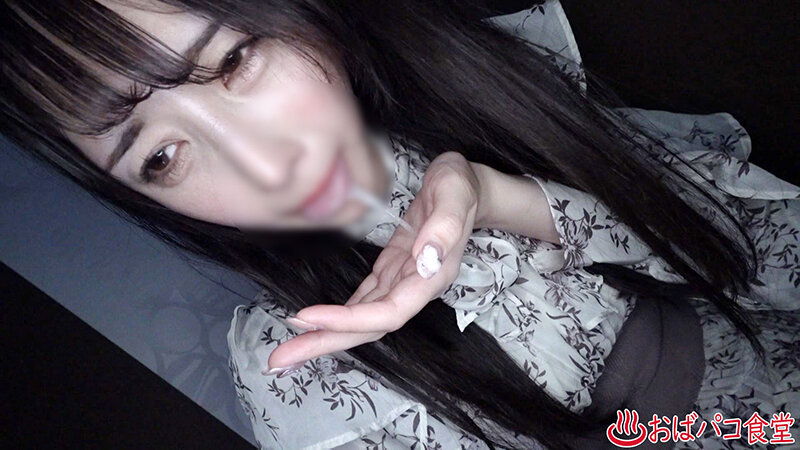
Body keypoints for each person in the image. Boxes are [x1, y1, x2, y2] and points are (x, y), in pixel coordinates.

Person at [1, 0, 797, 448]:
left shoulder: (491, 79)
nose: (263, 166)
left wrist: (503, 198)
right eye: (160, 158)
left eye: (235, 61)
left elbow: (767, 257)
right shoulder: (298, 373)